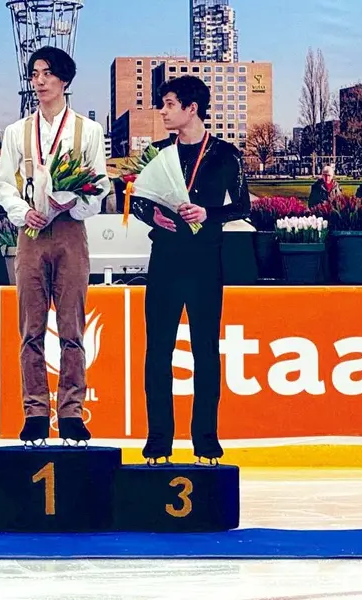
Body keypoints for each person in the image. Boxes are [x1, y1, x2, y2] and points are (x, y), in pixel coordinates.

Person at [129, 75, 250, 466]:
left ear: (191, 108)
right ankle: (158, 441)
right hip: (164, 259)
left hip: (204, 261)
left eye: (168, 104)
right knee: (157, 351)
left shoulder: (226, 155)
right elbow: (138, 201)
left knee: (205, 352)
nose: (162, 111)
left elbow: (242, 206)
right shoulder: (158, 152)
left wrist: (208, 213)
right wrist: (153, 218)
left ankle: (207, 441)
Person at [0, 46, 111, 446]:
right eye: (34, 73)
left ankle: (72, 411)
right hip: (30, 234)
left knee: (72, 326)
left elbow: (100, 183)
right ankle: (36, 411)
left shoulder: (88, 131)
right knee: (30, 327)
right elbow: (3, 183)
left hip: (69, 232)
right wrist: (22, 210)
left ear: (64, 80)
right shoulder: (16, 132)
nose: (39, 80)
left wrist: (73, 203)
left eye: (46, 73)